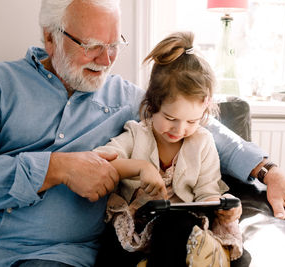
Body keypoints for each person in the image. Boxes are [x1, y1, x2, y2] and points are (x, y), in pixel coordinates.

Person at [0, 0, 285, 266]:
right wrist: (55, 168)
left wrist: (268, 170)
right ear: (50, 37)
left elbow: (203, 125)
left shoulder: (126, 98)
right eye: (93, 46)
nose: (107, 59)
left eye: (114, 45)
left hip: (52, 257)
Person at [93, 31, 243, 267]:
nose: (180, 129)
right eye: (170, 117)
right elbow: (100, 162)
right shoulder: (136, 134)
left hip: (178, 226)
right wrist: (141, 167)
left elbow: (206, 192)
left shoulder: (202, 143)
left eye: (192, 121)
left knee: (174, 225)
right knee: (109, 246)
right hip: (136, 223)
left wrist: (221, 207)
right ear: (153, 104)